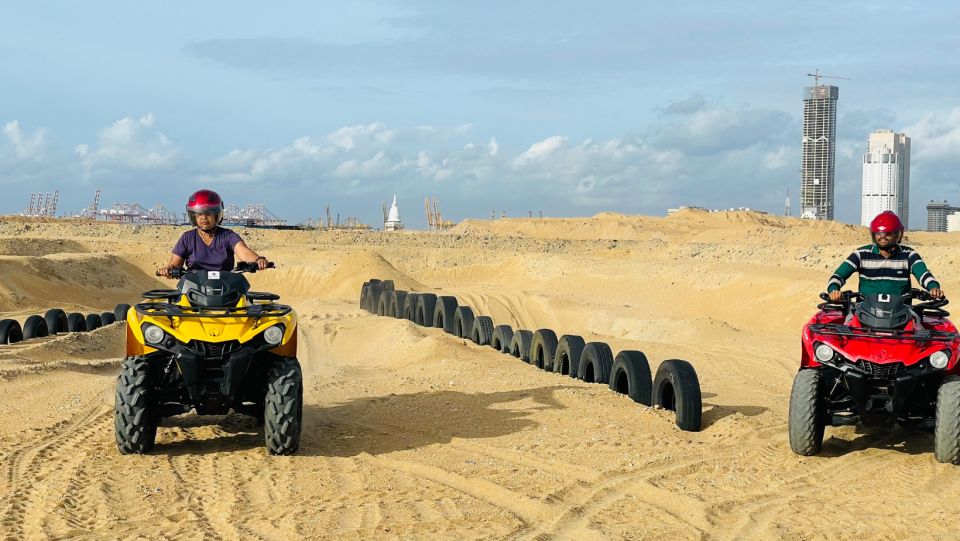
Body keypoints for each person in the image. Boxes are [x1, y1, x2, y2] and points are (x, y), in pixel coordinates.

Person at [827, 210, 943, 302]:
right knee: (844, 326)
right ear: (873, 234)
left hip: (902, 313)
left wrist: (933, 288)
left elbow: (924, 274)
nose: (882, 237)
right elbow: (838, 275)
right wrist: (834, 290)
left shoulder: (909, 255)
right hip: (864, 311)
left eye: (888, 233)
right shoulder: (861, 254)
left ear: (898, 234)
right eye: (879, 233)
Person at [158, 189, 269, 277]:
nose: (204, 217)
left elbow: (244, 252)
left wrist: (258, 260)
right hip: (192, 287)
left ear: (216, 215)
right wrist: (168, 270)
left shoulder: (229, 236)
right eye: (199, 214)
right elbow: (174, 264)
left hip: (226, 286)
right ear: (193, 216)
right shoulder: (187, 238)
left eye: (208, 213)